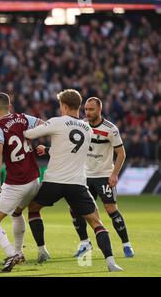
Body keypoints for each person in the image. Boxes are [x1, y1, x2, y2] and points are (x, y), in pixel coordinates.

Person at [23, 89, 123, 272]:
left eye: (60, 105)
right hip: (77, 183)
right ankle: (111, 262)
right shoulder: (87, 128)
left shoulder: (56, 122)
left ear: (65, 106)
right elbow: (71, 149)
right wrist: (49, 150)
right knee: (96, 222)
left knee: (33, 208)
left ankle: (42, 250)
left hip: (53, 181)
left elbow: (29, 135)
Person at [0, 93, 44, 272]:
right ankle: (19, 251)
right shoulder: (23, 118)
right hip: (34, 180)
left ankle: (12, 254)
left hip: (17, 183)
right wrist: (31, 138)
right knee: (17, 213)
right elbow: (44, 125)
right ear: (9, 106)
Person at [67, 97, 134, 258]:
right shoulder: (81, 125)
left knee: (111, 209)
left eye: (91, 109)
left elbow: (121, 154)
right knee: (75, 210)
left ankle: (127, 245)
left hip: (104, 175)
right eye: (86, 109)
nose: (88, 112)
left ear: (99, 110)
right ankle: (85, 243)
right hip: (84, 175)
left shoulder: (111, 129)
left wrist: (114, 174)